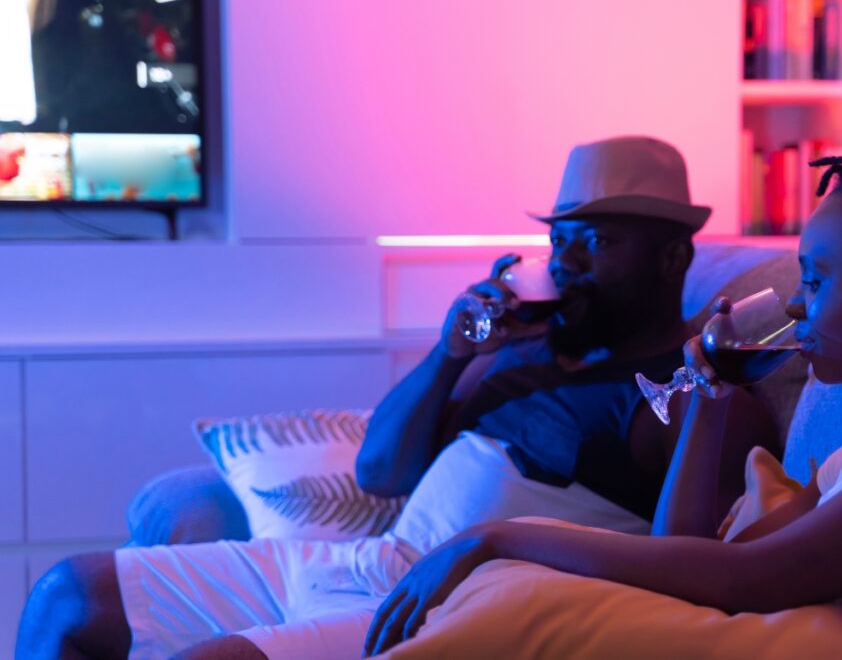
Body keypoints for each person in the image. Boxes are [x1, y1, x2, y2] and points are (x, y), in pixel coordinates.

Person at [16, 136, 778, 660]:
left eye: (599, 242)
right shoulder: (519, 352)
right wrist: (453, 354)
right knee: (67, 597)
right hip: (363, 558)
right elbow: (381, 470)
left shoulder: (685, 388)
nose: (568, 262)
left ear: (675, 255)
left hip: (457, 600)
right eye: (562, 239)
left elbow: (689, 564)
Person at [364, 129, 842, 660]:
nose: (795, 302)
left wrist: (500, 538)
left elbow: (755, 580)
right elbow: (702, 568)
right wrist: (706, 403)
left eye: (817, 280)